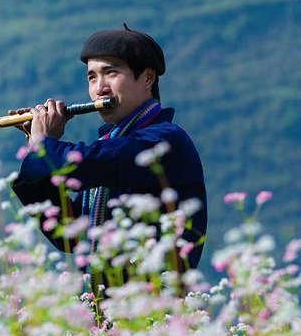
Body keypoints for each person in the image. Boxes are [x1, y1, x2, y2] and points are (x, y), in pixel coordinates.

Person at [11, 24, 207, 270]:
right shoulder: (112, 145)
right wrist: (36, 151)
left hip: (155, 300)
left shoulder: (165, 140)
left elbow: (92, 161)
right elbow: (69, 235)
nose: (99, 88)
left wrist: (45, 146)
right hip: (105, 302)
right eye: (92, 77)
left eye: (111, 73)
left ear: (147, 78)